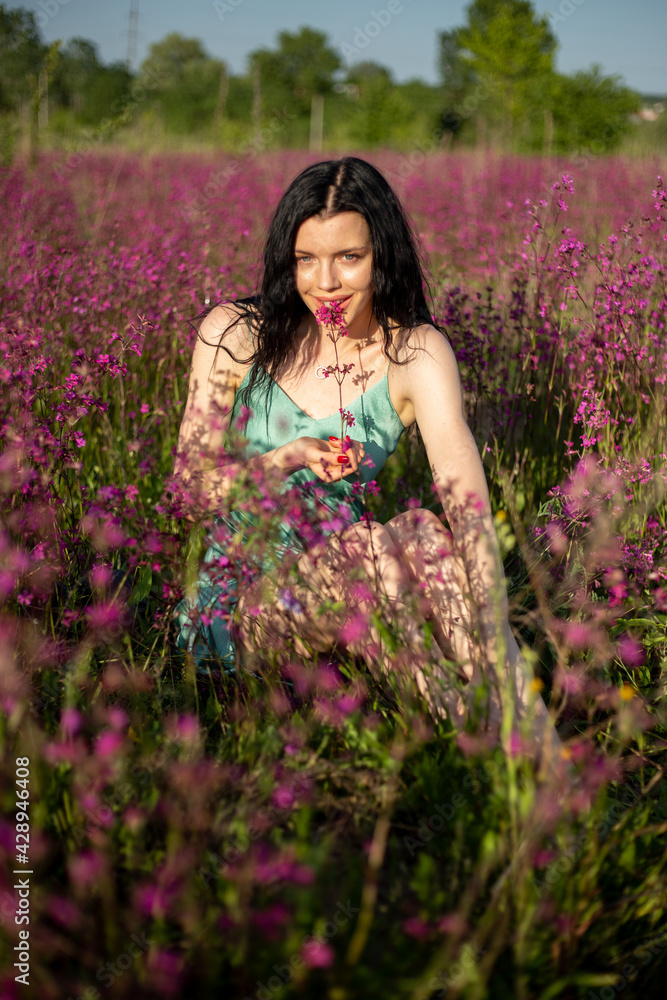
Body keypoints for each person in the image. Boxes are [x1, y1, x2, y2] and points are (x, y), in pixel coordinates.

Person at [173, 156, 560, 766]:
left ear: (384, 255)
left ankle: (534, 741)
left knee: (426, 532)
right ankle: (474, 736)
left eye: (348, 258)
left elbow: (469, 506)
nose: (325, 282)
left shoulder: (416, 354)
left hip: (356, 592)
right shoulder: (235, 334)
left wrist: (491, 633)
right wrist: (288, 457)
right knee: (371, 548)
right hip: (236, 612)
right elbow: (187, 492)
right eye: (306, 260)